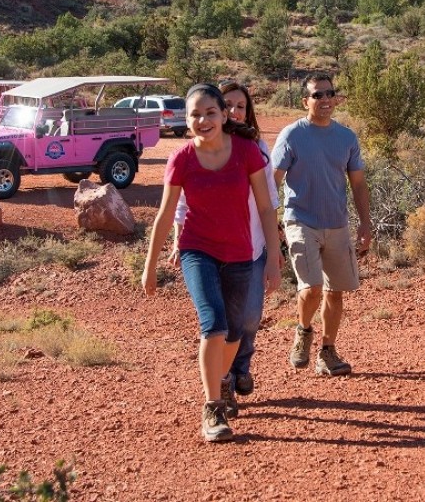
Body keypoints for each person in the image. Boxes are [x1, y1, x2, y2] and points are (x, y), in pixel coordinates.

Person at [142, 83, 281, 443]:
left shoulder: (247, 152)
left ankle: (221, 377)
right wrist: (150, 265)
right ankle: (213, 408)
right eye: (195, 114)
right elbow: (165, 214)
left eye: (210, 113)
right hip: (197, 250)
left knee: (236, 332)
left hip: (240, 251)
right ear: (186, 120)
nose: (203, 120)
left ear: (223, 115)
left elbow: (265, 207)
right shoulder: (182, 158)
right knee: (214, 324)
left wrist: (275, 257)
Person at [272, 73, 371, 377]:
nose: (325, 99)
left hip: (337, 223)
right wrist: (272, 223)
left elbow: (358, 184)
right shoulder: (291, 135)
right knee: (312, 287)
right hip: (300, 220)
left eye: (329, 94)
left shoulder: (346, 137)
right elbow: (272, 181)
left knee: (336, 291)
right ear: (305, 101)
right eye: (317, 95)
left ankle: (327, 352)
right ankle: (303, 331)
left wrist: (365, 223)